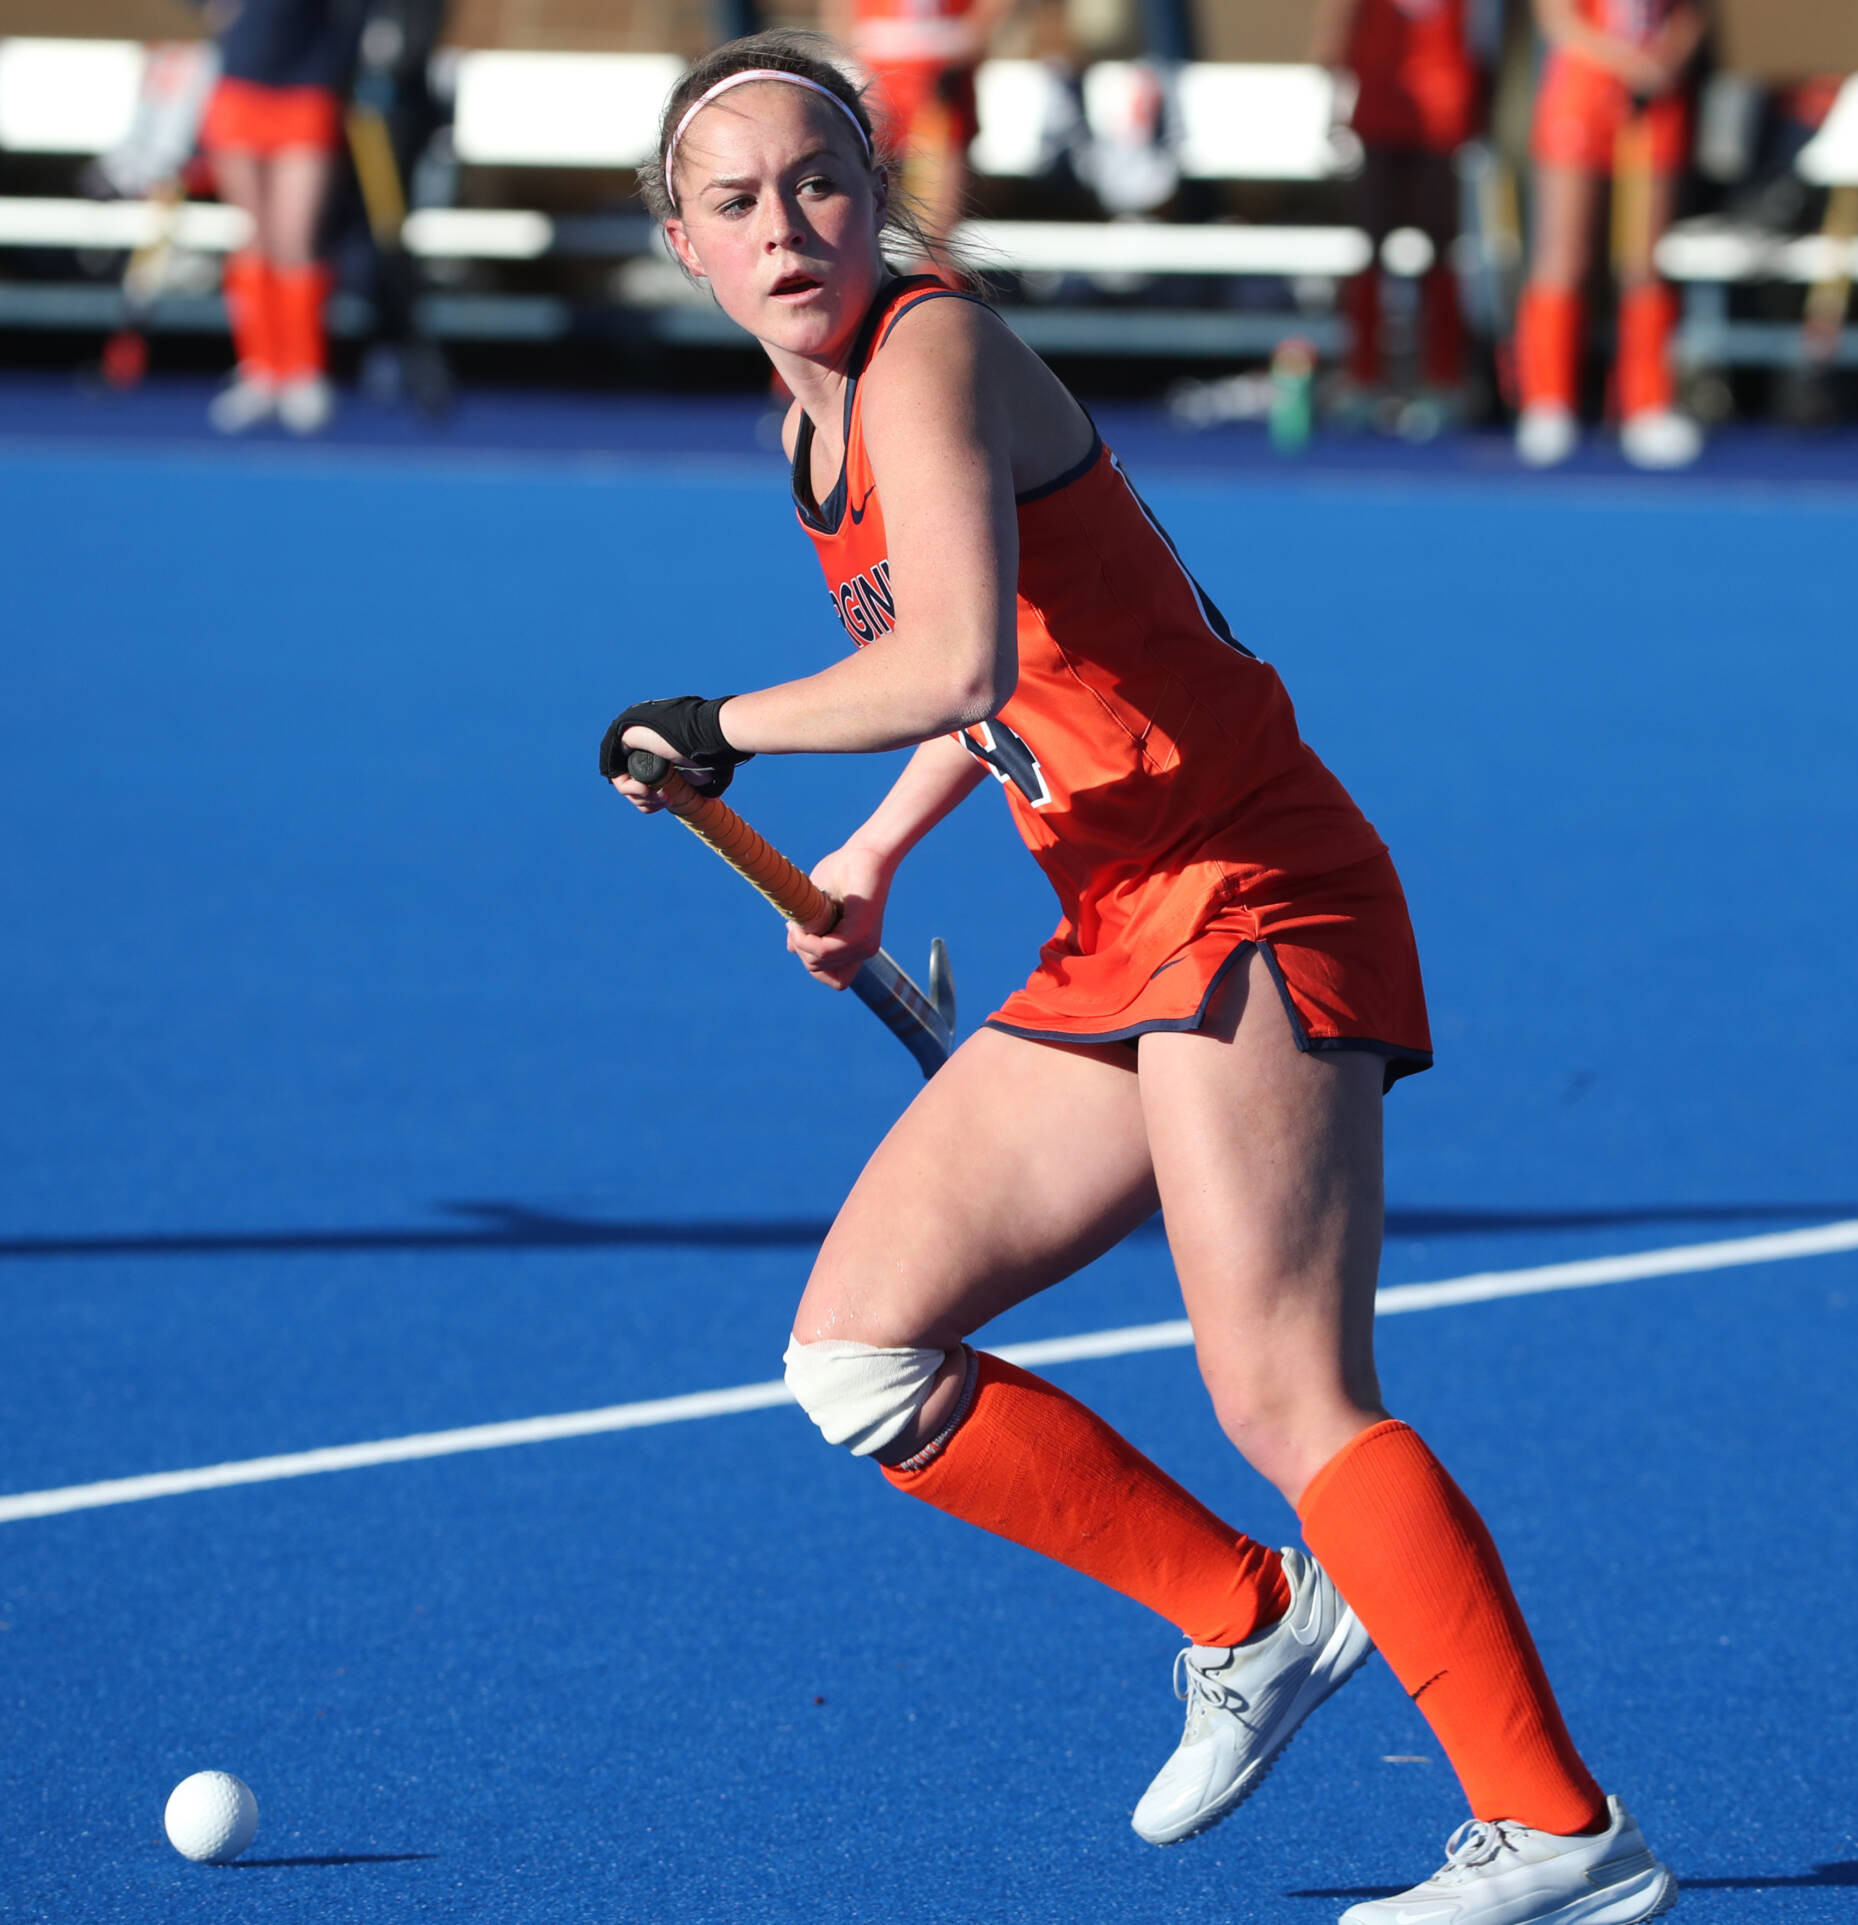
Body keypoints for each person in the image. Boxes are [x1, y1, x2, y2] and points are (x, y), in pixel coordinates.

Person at [598, 32, 1677, 1925]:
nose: (788, 227)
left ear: (879, 195)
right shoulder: (813, 420)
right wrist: (866, 858)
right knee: (859, 1355)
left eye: (820, 184)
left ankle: (1560, 1836)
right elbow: (1000, 661)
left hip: (1249, 881)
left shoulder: (927, 346)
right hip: (1118, 920)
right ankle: (1249, 1615)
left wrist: (723, 727)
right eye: (738, 202)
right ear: (681, 243)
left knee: (1284, 1389)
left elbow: (944, 660)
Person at [1516, 0, 1706, 468]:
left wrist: (1667, 58)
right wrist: (1625, 62)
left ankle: (1647, 405)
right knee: (1564, 253)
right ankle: (1548, 402)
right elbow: (1557, 18)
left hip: (1656, 98)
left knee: (1644, 260)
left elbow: (1695, 13)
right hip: (1583, 89)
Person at [201, 0, 366, 434]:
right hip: (240, 83)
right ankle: (259, 369)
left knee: (293, 237)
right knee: (253, 236)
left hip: (306, 85)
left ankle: (302, 371)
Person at [1312, 0, 1480, 418]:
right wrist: (1333, 83)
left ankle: (1444, 377)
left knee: (1439, 242)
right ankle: (1363, 376)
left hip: (1445, 90)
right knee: (1372, 238)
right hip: (1382, 85)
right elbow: (1340, 17)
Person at [821, 0, 1018, 245]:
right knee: (863, 192)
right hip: (879, 72)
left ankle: (933, 268)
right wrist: (853, 57)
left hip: (940, 77)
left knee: (936, 216)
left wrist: (973, 35)